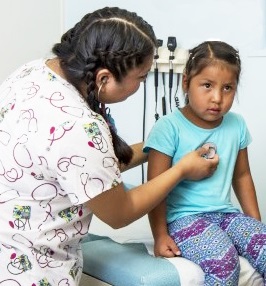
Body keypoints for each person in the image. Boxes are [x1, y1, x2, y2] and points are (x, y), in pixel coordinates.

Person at [0, 7, 219, 286]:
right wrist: (181, 170)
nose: (141, 85)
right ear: (104, 79)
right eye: (140, 78)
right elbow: (120, 212)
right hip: (30, 270)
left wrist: (157, 147)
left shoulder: (33, 73)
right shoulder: (78, 126)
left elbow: (81, 168)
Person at [144, 40, 266, 285]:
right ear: (186, 82)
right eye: (207, 85)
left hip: (225, 214)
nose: (217, 98)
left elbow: (242, 177)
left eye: (228, 88)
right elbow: (155, 188)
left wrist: (255, 226)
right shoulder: (168, 127)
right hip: (183, 218)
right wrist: (160, 235)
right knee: (223, 261)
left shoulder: (237, 125)